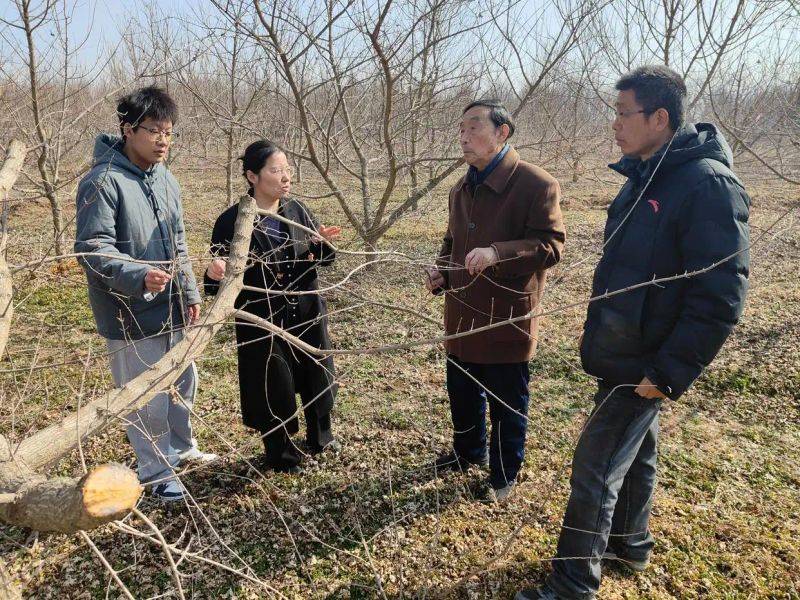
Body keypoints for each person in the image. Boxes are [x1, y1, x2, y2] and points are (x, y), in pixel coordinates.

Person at [516, 66, 750, 599]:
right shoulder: (646, 175)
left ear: (660, 117)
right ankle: (630, 542)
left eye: (624, 114)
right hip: (623, 351)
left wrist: (667, 372)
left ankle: (573, 583)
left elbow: (721, 295)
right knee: (636, 451)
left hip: (647, 359)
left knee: (594, 469)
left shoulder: (707, 185)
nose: (615, 125)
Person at [75, 86, 217, 503]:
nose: (162, 140)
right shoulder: (102, 182)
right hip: (129, 312)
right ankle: (156, 471)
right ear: (127, 129)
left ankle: (181, 447)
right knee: (145, 398)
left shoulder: (166, 178)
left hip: (173, 307)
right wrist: (137, 276)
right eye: (153, 130)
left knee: (181, 384)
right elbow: (91, 247)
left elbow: (179, 241)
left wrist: (189, 291)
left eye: (168, 132)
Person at [426, 99, 565, 503]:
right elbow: (452, 242)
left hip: (505, 317)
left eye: (474, 127)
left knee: (507, 400)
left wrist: (497, 253)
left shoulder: (537, 184)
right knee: (463, 392)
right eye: (461, 129)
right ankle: (467, 452)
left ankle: (504, 474)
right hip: (462, 315)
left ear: (502, 132)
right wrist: (442, 273)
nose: (464, 137)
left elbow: (550, 247)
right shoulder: (461, 187)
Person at [204, 140, 341, 473]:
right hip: (261, 316)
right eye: (276, 170)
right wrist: (213, 273)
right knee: (272, 383)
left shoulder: (298, 212)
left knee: (315, 373)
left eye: (288, 170)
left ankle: (321, 437)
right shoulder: (232, 221)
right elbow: (217, 284)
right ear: (252, 176)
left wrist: (322, 245)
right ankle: (280, 454)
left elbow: (323, 259)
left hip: (305, 309)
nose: (285, 177)